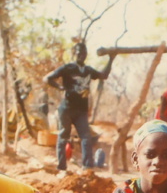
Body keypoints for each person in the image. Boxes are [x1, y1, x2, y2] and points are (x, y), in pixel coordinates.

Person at [45, 42, 115, 174]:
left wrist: (111, 59)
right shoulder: (68, 68)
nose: (80, 55)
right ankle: (62, 168)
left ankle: (87, 168)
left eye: (83, 53)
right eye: (78, 52)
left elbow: (103, 76)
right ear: (74, 53)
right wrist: (60, 87)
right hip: (66, 108)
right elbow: (48, 79)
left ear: (86, 54)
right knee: (63, 136)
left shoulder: (88, 70)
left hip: (81, 110)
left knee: (86, 137)